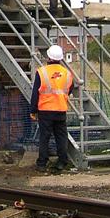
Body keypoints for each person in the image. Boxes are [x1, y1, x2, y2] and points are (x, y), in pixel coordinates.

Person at [29, 44, 74, 172]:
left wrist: (33, 110)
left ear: (48, 57)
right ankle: (62, 162)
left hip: (45, 110)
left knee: (45, 137)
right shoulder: (67, 73)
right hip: (61, 109)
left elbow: (35, 93)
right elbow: (70, 88)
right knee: (61, 136)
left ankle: (42, 163)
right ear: (61, 58)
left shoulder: (41, 72)